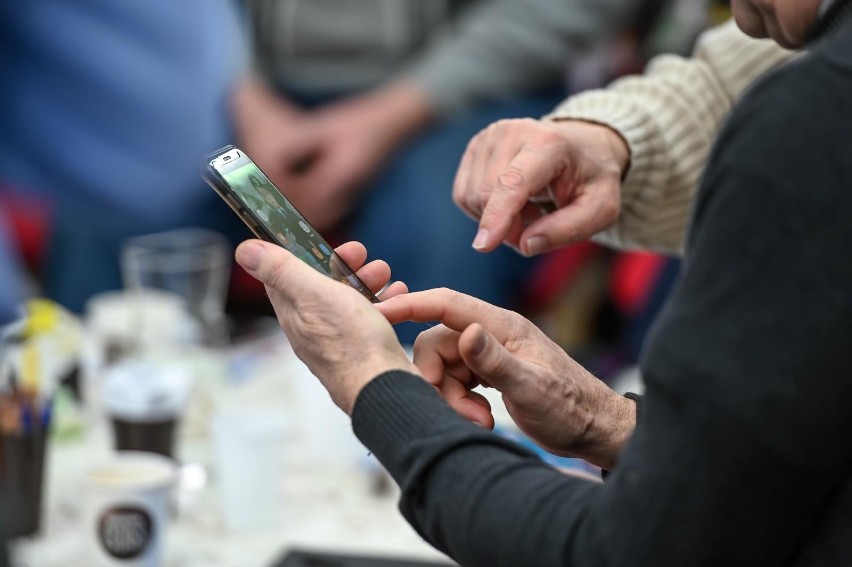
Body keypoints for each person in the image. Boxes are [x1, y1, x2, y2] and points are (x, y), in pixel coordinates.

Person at [232, 0, 852, 564]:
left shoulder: (809, 126)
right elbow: (766, 489)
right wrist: (601, 421)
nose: (738, 21)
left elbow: (632, 550)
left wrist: (375, 387)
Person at [234, 0, 647, 342]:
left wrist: (392, 115)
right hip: (255, 85)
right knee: (179, 222)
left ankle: (431, 420)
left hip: (473, 82)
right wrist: (239, 88)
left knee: (441, 236)